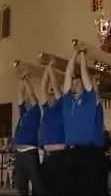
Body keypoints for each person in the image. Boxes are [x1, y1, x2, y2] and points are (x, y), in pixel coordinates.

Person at [63, 45, 105, 196]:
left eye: (78, 82)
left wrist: (82, 57)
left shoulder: (88, 100)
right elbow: (68, 74)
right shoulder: (68, 102)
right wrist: (74, 53)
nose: (75, 84)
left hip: (87, 152)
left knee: (87, 188)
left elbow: (87, 82)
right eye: (74, 83)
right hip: (70, 152)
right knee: (70, 188)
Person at [39, 59, 67, 196]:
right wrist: (47, 68)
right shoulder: (46, 108)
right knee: (47, 188)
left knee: (59, 188)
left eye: (52, 95)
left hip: (59, 155)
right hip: (47, 156)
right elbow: (43, 87)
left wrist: (50, 69)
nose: (50, 96)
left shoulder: (61, 106)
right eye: (49, 95)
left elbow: (55, 88)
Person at [14, 75, 44, 196]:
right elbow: (20, 96)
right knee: (21, 185)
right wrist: (20, 81)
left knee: (36, 184)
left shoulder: (36, 111)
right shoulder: (24, 112)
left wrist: (26, 80)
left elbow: (31, 95)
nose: (26, 100)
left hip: (30, 153)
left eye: (28, 100)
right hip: (19, 153)